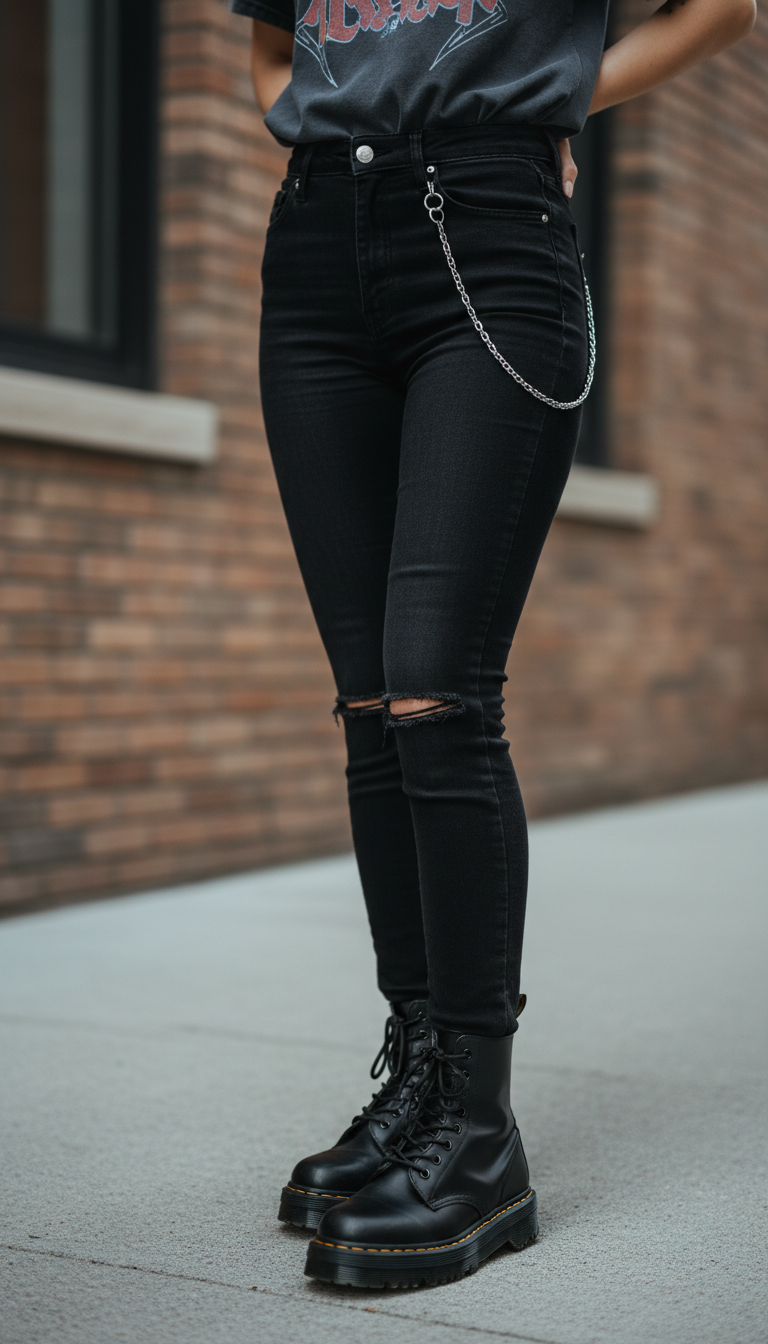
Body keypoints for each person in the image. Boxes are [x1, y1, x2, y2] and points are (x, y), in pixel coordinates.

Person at [231, 0, 755, 1288]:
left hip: (488, 233)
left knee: (436, 691)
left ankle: (479, 1138)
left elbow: (723, 11)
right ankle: (419, 1083)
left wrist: (552, 101)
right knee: (370, 702)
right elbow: (270, 44)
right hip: (314, 247)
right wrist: (321, 117)